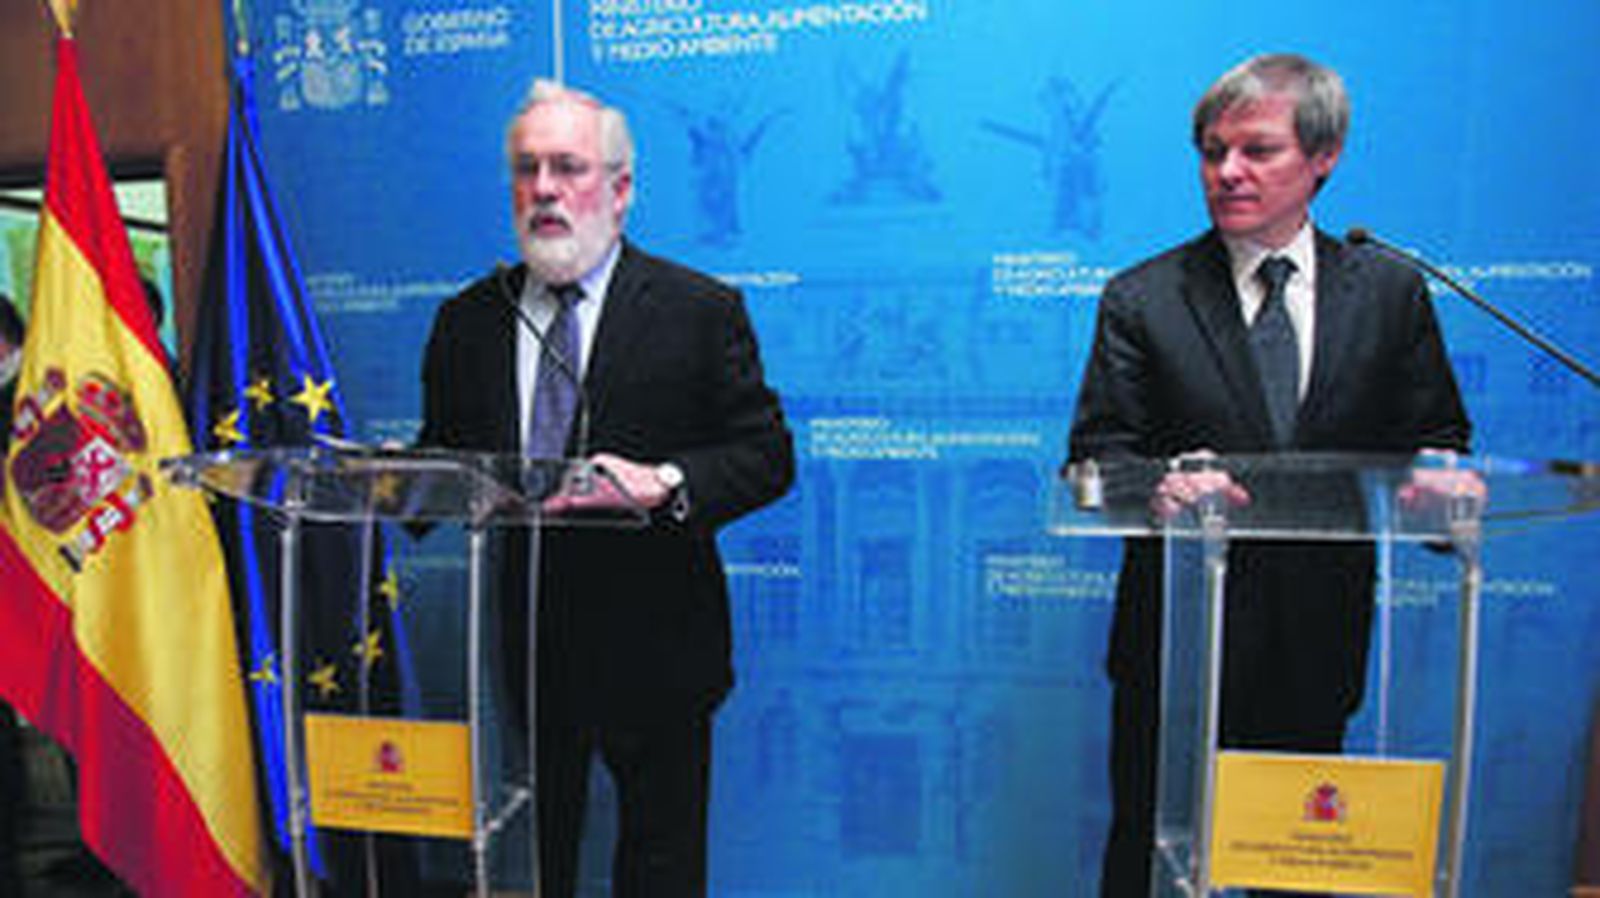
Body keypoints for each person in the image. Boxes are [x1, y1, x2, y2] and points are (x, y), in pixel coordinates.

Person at [1066, 53, 1472, 896]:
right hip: (1176, 646)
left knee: (1296, 873)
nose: (1228, 172)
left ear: (1324, 157)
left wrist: (1441, 491)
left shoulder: (1390, 292)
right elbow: (1099, 459)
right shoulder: (1144, 298)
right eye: (1213, 152)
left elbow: (1437, 441)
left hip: (1317, 642)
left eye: (1257, 150)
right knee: (1154, 863)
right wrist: (1160, 490)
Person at [416, 79, 794, 897]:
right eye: (527, 169)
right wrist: (396, 487)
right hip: (525, 653)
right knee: (533, 864)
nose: (544, 189)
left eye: (568, 167)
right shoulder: (468, 320)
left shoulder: (699, 309)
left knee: (660, 870)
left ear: (620, 190)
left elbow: (766, 455)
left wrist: (665, 481)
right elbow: (438, 463)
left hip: (660, 647)